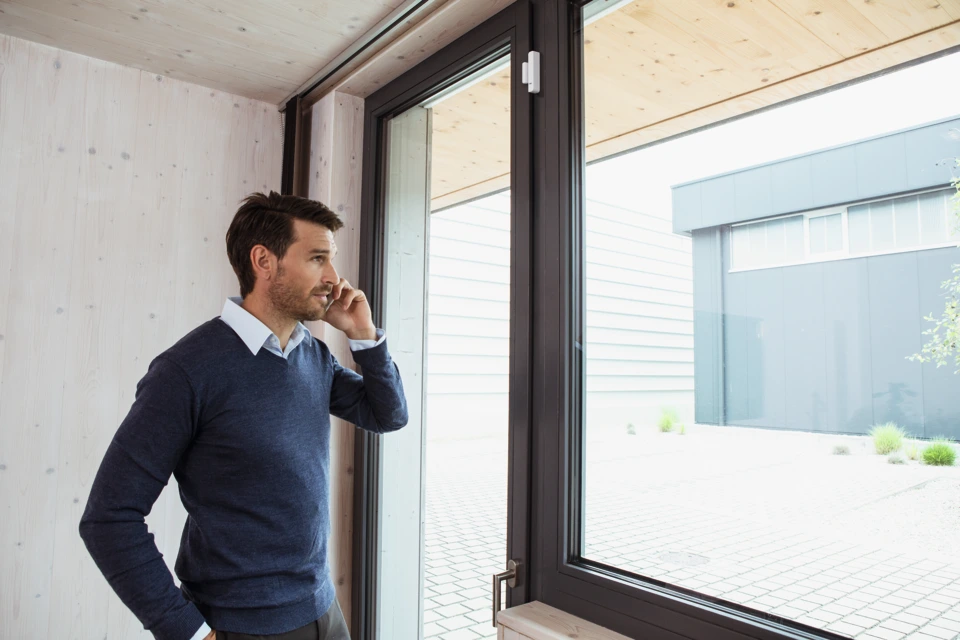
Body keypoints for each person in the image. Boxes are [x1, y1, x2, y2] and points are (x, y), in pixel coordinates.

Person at [79, 191, 408, 640]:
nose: (334, 277)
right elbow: (108, 518)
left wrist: (365, 337)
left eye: (331, 260)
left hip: (324, 612)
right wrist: (187, 631)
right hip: (239, 626)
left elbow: (388, 414)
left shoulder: (311, 354)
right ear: (263, 260)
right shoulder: (186, 372)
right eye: (316, 258)